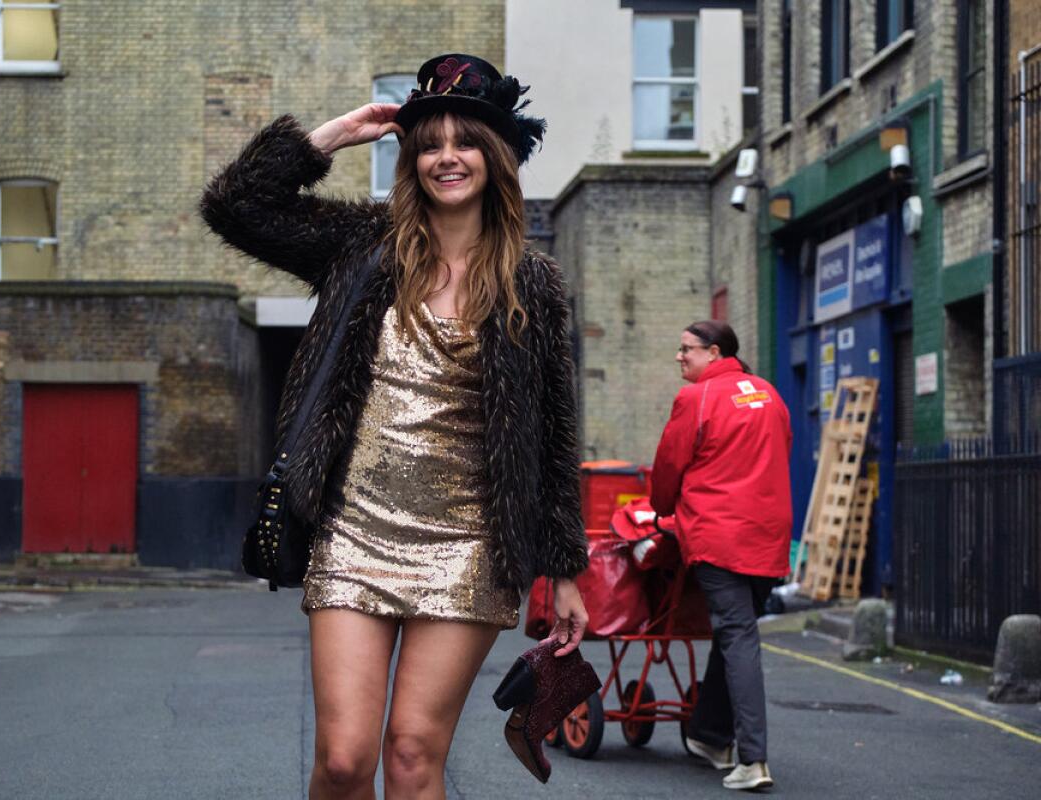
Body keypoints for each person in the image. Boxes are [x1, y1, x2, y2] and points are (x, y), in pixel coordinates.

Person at [199, 54, 590, 799]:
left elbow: (554, 432)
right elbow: (236, 208)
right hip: (354, 534)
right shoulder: (362, 247)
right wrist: (333, 137)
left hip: (469, 546)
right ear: (412, 159)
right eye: (430, 143)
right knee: (345, 759)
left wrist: (565, 566)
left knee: (412, 757)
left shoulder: (532, 284)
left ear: (496, 156)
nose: (447, 157)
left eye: (465, 141)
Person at [649, 320, 792, 792]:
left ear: (713, 353)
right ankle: (710, 736)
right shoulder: (768, 394)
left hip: (719, 536)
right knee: (737, 635)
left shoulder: (697, 399)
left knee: (738, 637)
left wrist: (664, 508)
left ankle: (753, 759)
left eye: (686, 348)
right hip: (767, 536)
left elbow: (669, 467)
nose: (679, 356)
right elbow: (780, 452)